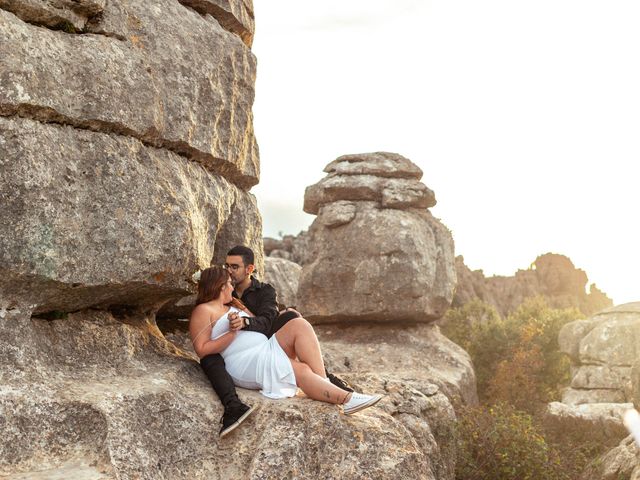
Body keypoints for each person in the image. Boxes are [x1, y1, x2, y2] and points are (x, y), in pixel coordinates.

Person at [190, 266, 383, 435]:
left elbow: (259, 325)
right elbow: (202, 349)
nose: (233, 287)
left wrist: (248, 321)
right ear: (220, 285)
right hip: (245, 361)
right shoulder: (203, 310)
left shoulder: (234, 305)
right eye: (229, 284)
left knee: (299, 324)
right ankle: (346, 399)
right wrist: (231, 334)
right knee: (300, 370)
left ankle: (323, 382)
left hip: (264, 347)